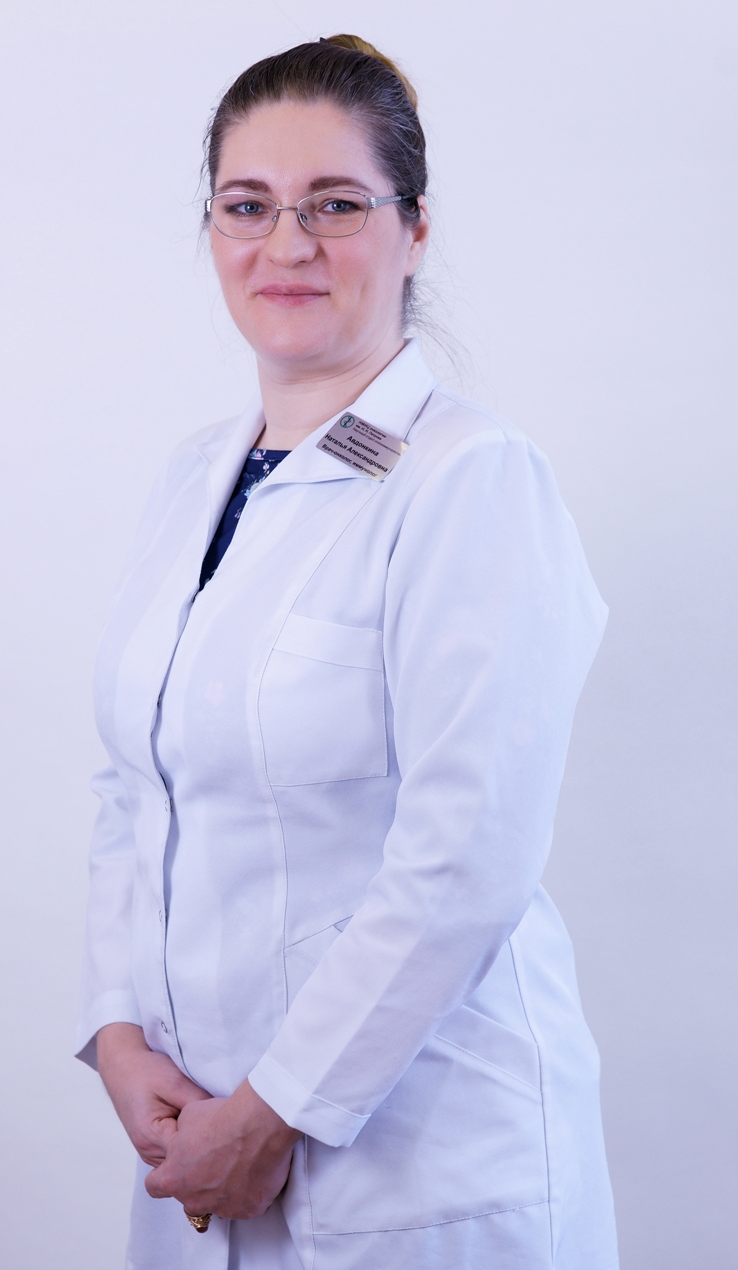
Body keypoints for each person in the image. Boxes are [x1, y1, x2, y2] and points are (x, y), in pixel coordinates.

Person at [75, 34, 620, 1270]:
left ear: (413, 229)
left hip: (419, 1163)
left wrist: (275, 1112)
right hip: (196, 1141)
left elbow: (465, 851)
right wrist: (115, 1028)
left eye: (334, 204)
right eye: (246, 205)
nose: (286, 245)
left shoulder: (472, 482)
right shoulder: (193, 479)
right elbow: (132, 783)